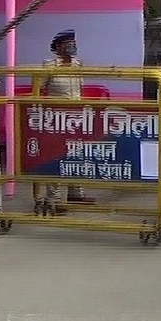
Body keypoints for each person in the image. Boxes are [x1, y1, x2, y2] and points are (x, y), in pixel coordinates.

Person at [41, 30, 93, 206]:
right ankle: (53, 198)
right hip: (56, 118)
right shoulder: (49, 66)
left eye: (73, 42)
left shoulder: (78, 65)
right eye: (67, 43)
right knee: (56, 156)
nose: (72, 45)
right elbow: (39, 90)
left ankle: (76, 193)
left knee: (76, 155)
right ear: (57, 47)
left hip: (77, 117)